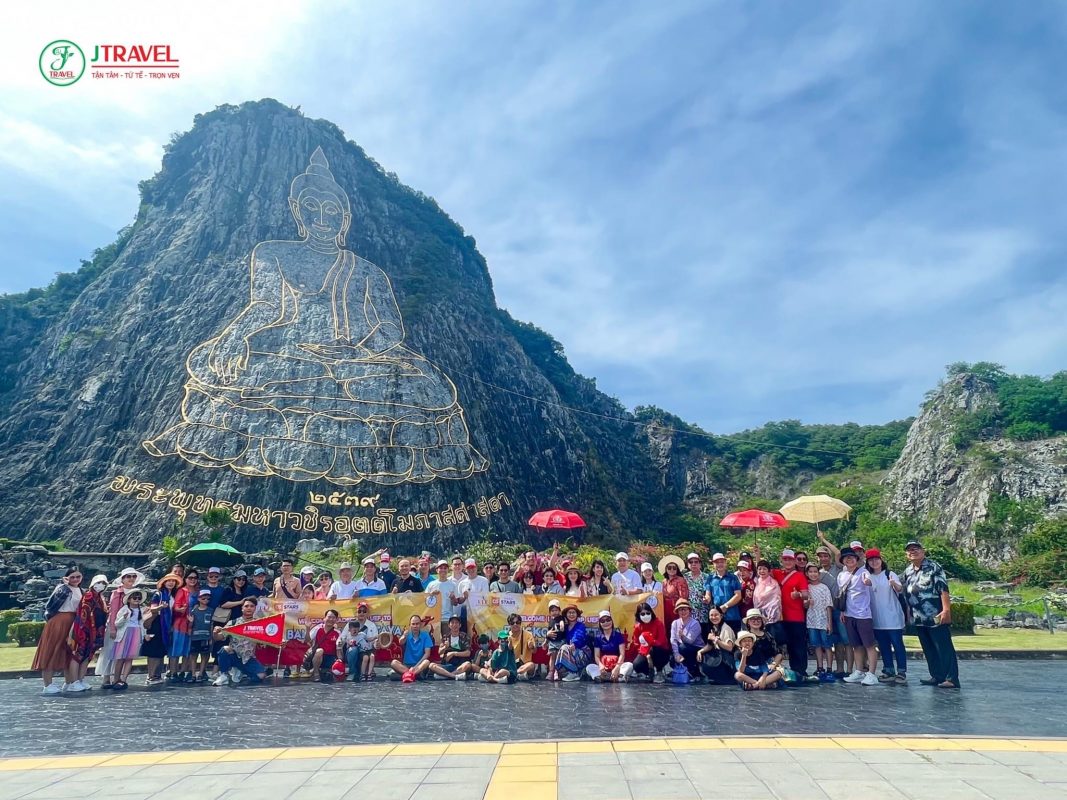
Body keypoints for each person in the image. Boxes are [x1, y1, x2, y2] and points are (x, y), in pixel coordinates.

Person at [903, 540, 959, 688]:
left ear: (923, 551)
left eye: (916, 548)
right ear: (906, 554)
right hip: (918, 617)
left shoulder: (934, 567)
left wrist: (946, 610)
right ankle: (937, 676)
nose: (913, 551)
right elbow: (906, 593)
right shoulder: (908, 571)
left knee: (943, 647)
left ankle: (951, 678)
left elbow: (943, 589)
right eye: (910, 550)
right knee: (928, 648)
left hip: (935, 614)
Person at [838, 549, 879, 686]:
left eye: (852, 557)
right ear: (842, 561)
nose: (849, 559)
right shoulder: (841, 575)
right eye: (846, 558)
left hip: (863, 614)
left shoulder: (863, 572)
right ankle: (859, 671)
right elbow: (843, 595)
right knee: (856, 645)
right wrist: (842, 611)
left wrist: (868, 581)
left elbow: (869, 581)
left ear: (857, 559)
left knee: (869, 645)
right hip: (849, 614)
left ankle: (871, 673)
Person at [867, 549, 907, 684]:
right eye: (871, 560)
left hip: (893, 617)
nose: (874, 562)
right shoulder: (868, 576)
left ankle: (901, 672)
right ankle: (888, 670)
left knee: (897, 645)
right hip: (877, 619)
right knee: (883, 646)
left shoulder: (889, 574)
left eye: (876, 559)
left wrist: (893, 584)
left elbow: (900, 589)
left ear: (881, 560)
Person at [99, 567, 143, 690]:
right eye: (128, 576)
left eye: (133, 576)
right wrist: (113, 628)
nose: (131, 579)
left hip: (129, 628)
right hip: (117, 624)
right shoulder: (117, 593)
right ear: (122, 579)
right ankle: (106, 677)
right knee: (110, 651)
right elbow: (113, 611)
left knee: (123, 654)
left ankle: (118, 679)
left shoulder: (136, 593)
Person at [770, 548, 810, 680]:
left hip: (796, 617)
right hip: (780, 617)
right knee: (780, 645)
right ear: (781, 560)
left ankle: (800, 672)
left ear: (794, 561)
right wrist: (757, 555)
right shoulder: (778, 573)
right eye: (785, 559)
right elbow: (762, 570)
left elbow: (806, 594)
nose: (787, 562)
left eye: (790, 560)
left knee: (798, 646)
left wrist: (798, 594)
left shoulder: (799, 576)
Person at [213, 598, 267, 685]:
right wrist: (215, 633)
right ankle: (224, 675)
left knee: (261, 676)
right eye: (246, 606)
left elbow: (267, 640)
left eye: (252, 606)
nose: (249, 608)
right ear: (242, 608)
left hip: (248, 658)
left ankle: (240, 671)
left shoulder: (259, 624)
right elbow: (219, 638)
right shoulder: (233, 623)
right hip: (234, 655)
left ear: (255, 608)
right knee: (224, 649)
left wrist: (280, 641)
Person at [815, 544, 849, 677]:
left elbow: (838, 553)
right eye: (821, 556)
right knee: (835, 641)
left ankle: (850, 670)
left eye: (826, 556)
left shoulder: (838, 568)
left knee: (846, 640)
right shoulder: (818, 573)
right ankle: (839, 669)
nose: (823, 559)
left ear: (830, 557)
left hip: (839, 609)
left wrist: (823, 540)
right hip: (826, 612)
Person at [69, 573, 108, 690]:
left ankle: (80, 679)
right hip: (84, 630)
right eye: (99, 582)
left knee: (87, 656)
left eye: (103, 583)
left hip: (94, 632)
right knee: (78, 655)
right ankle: (74, 682)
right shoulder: (89, 595)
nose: (101, 585)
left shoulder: (100, 598)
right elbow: (83, 614)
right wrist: (83, 630)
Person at [144, 573, 179, 686]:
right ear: (164, 582)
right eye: (168, 581)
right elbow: (153, 609)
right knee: (153, 651)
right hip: (157, 623)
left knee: (161, 651)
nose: (171, 583)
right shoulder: (158, 594)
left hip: (167, 624)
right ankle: (151, 675)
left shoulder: (172, 596)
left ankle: (157, 674)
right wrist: (161, 607)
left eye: (173, 581)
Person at [803, 564, 835, 682]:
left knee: (827, 645)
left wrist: (829, 623)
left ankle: (829, 668)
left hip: (823, 620)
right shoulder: (806, 588)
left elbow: (828, 605)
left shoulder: (824, 588)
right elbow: (805, 605)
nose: (813, 574)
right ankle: (820, 667)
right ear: (807, 574)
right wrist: (807, 602)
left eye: (815, 571)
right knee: (816, 645)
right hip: (812, 621)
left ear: (819, 573)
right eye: (810, 572)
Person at [110, 588, 146, 691]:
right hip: (125, 633)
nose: (137, 599)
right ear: (129, 599)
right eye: (135, 598)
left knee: (130, 658)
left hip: (136, 633)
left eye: (139, 598)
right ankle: (116, 679)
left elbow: (142, 624)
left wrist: (144, 635)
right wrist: (124, 618)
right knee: (120, 658)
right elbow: (117, 624)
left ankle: (124, 679)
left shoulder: (141, 610)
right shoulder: (124, 609)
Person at [739, 608, 784, 689]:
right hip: (750, 667)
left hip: (767, 666)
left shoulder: (768, 636)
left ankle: (755, 685)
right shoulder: (744, 636)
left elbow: (778, 653)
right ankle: (765, 684)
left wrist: (773, 664)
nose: (756, 621)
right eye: (753, 619)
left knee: (779, 673)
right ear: (748, 622)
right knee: (739, 675)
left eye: (758, 619)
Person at [587, 609, 632, 682]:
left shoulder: (618, 636)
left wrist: (617, 667)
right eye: (603, 621)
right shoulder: (598, 637)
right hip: (604, 667)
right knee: (589, 667)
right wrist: (601, 666)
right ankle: (602, 677)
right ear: (600, 624)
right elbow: (596, 656)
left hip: (617, 665)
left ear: (611, 621)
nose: (606, 622)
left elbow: (622, 654)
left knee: (629, 665)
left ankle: (618, 676)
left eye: (608, 620)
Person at [169, 570, 197, 683]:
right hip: (180, 624)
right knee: (176, 650)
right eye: (190, 578)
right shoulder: (182, 591)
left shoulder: (198, 592)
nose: (193, 580)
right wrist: (181, 609)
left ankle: (183, 671)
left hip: (193, 624)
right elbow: (176, 606)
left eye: (195, 578)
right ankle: (173, 672)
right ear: (185, 579)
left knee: (188, 650)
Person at [631, 601, 670, 683]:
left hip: (660, 651)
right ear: (638, 615)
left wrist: (650, 641)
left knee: (656, 649)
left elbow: (661, 641)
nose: (645, 616)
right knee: (637, 665)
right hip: (644, 652)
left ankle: (659, 672)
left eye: (648, 613)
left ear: (651, 613)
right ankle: (648, 673)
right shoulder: (637, 627)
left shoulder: (658, 624)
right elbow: (636, 643)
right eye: (642, 614)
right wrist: (646, 654)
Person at [698, 605, 737, 684]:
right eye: (711, 615)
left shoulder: (726, 628)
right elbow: (710, 645)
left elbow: (729, 647)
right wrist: (700, 651)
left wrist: (716, 639)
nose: (714, 617)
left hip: (727, 658)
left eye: (716, 615)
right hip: (718, 655)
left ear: (721, 616)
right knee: (703, 656)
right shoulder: (713, 628)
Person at [703, 552, 742, 626]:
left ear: (725, 563)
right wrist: (706, 599)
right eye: (717, 562)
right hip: (716, 618)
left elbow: (738, 595)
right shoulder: (710, 578)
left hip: (732, 616)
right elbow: (708, 595)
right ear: (713, 564)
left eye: (722, 562)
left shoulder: (733, 577)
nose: (720, 564)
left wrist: (726, 606)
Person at [429, 615, 473, 680]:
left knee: (468, 665)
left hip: (460, 665)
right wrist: (445, 647)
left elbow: (468, 653)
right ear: (449, 625)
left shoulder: (465, 636)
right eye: (452, 623)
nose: (454, 625)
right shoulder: (446, 637)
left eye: (456, 623)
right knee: (431, 665)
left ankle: (445, 676)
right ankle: (454, 676)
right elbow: (440, 652)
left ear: (460, 625)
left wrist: (453, 653)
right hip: (448, 665)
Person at [556, 604, 591, 682]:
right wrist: (548, 635)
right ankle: (563, 672)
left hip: (582, 653)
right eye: (569, 612)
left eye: (573, 612)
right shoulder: (565, 627)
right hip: (571, 650)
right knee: (558, 648)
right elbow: (556, 634)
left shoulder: (580, 625)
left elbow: (579, 635)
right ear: (566, 614)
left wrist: (575, 643)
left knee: (565, 647)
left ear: (577, 614)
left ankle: (574, 673)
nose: (571, 614)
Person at [391, 614, 433, 679]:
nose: (415, 626)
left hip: (419, 665)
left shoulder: (426, 635)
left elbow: (427, 654)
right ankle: (414, 675)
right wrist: (404, 636)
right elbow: (401, 642)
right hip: (406, 666)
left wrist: (416, 667)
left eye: (417, 624)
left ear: (420, 625)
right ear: (410, 625)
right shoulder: (407, 635)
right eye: (413, 624)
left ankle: (408, 675)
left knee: (426, 662)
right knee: (393, 663)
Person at [669, 598, 703, 679]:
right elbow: (673, 640)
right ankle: (683, 671)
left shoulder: (695, 623)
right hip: (681, 648)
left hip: (696, 648)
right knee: (672, 659)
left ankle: (694, 671)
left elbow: (690, 641)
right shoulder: (675, 623)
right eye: (680, 610)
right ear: (677, 611)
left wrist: (682, 636)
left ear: (689, 610)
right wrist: (676, 654)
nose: (683, 612)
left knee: (683, 648)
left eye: (685, 609)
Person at [752, 560, 784, 643]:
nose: (762, 571)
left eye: (764, 569)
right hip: (758, 616)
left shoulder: (773, 584)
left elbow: (776, 602)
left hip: (771, 618)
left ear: (769, 571)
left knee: (772, 641)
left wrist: (769, 617)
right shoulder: (756, 581)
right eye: (759, 569)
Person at [305, 609, 341, 681]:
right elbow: (307, 640)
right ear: (324, 618)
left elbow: (338, 649)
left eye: (333, 618)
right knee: (320, 651)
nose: (331, 619)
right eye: (329, 617)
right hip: (317, 656)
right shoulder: (318, 628)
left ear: (336, 620)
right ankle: (316, 673)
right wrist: (307, 628)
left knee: (329, 677)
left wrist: (339, 661)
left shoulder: (338, 632)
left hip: (331, 658)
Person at [348, 603, 380, 681]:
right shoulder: (350, 624)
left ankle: (368, 673)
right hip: (355, 652)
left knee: (371, 655)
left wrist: (376, 641)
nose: (362, 613)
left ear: (367, 613)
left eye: (364, 611)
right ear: (356, 612)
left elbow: (370, 639)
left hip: (367, 650)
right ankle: (353, 673)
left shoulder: (372, 625)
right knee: (353, 650)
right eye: (359, 611)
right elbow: (343, 638)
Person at [428, 560, 460, 638]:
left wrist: (453, 598)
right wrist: (431, 594)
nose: (443, 570)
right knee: (435, 642)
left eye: (445, 568)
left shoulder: (453, 584)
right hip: (434, 618)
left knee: (447, 641)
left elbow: (456, 603)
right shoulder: (431, 584)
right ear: (437, 570)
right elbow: (425, 601)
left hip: (447, 618)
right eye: (441, 568)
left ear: (448, 570)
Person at [189, 588, 215, 682]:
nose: (205, 600)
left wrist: (211, 637)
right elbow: (190, 625)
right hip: (195, 637)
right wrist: (191, 622)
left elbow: (212, 624)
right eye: (203, 598)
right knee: (193, 655)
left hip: (206, 636)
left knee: (205, 655)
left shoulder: (211, 610)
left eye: (208, 599)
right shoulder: (194, 610)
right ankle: (193, 674)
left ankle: (201, 673)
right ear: (198, 599)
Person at [505, 613, 540, 679]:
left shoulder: (528, 634)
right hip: (510, 665)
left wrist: (532, 647)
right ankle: (517, 675)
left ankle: (512, 674)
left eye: (517, 622)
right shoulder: (505, 636)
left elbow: (534, 651)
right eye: (512, 623)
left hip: (524, 665)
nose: (515, 624)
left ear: (520, 623)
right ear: (509, 624)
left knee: (531, 665)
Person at [659, 555, 689, 626]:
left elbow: (683, 596)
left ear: (677, 569)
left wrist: (680, 609)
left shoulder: (680, 580)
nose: (672, 569)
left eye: (674, 568)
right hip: (665, 608)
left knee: (676, 625)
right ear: (666, 569)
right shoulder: (664, 581)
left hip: (676, 607)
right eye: (669, 568)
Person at [683, 553, 709, 631]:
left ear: (700, 564)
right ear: (688, 564)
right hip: (689, 614)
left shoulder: (707, 577)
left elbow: (709, 592)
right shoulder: (684, 577)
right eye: (691, 562)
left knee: (704, 635)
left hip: (703, 614)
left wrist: (707, 598)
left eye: (696, 562)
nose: (693, 564)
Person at [544, 598, 566, 680]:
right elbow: (549, 632)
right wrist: (545, 641)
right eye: (552, 611)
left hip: (561, 641)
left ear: (559, 610)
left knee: (559, 657)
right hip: (552, 642)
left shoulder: (561, 618)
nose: (554, 612)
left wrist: (562, 626)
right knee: (552, 657)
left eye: (556, 610)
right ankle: (551, 672)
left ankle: (557, 672)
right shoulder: (550, 621)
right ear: (550, 612)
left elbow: (562, 623)